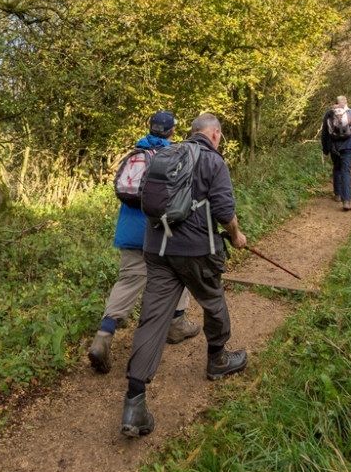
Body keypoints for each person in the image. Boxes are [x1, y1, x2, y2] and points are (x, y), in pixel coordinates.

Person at [120, 113, 248, 438]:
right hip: (194, 250)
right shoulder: (212, 161)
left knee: (153, 317)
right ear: (215, 134)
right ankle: (218, 359)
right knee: (212, 297)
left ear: (191, 133)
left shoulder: (164, 155)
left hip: (157, 248)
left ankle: (134, 400)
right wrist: (236, 236)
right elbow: (224, 212)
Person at [88, 111, 200, 374]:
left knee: (128, 281)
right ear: (172, 132)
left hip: (129, 230)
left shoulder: (136, 152)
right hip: (159, 230)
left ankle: (103, 337)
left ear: (150, 129)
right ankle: (176, 324)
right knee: (179, 272)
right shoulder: (175, 155)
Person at [321, 95, 351, 210]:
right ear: (346, 102)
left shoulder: (329, 114)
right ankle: (346, 201)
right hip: (349, 146)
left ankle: (337, 194)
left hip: (333, 146)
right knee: (346, 171)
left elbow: (324, 133)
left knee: (337, 168)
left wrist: (325, 150)